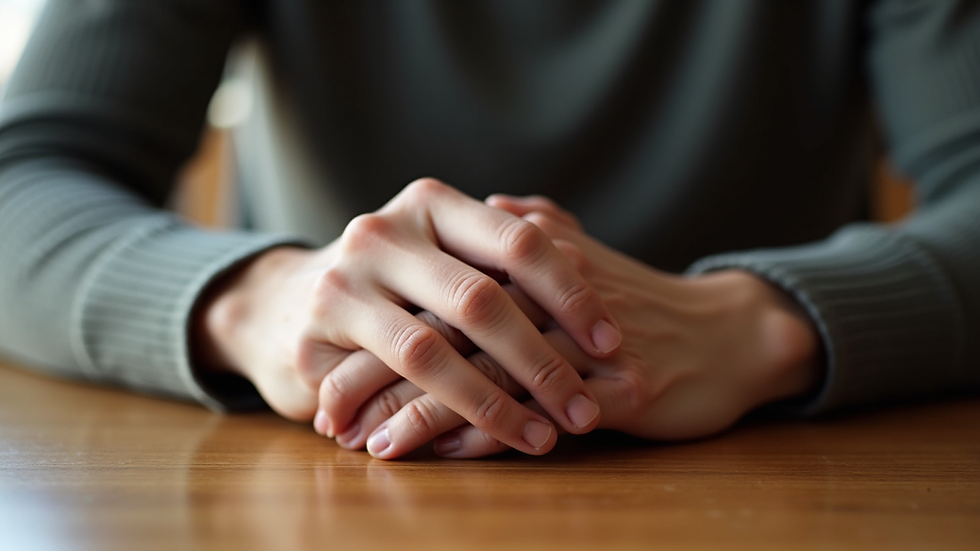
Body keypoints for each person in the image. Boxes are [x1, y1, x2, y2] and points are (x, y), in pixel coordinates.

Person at [0, 0, 977, 460]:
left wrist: (760, 323)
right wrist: (256, 299)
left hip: (771, 482)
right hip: (322, 475)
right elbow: (22, 179)